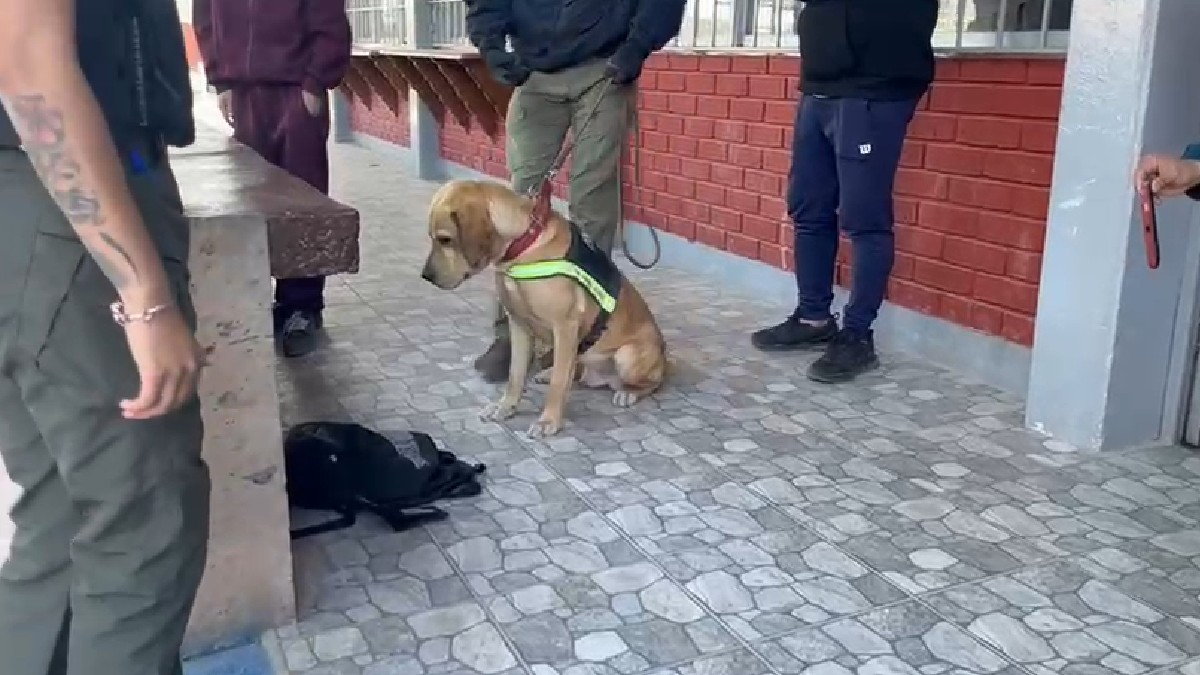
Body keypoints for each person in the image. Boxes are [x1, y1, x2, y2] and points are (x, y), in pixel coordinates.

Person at [0, 0, 210, 673]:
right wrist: (144, 295)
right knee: (141, 531)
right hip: (64, 211)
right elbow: (27, 59)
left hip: (32, 211)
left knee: (61, 516)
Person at [464, 0, 687, 383]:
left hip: (605, 68)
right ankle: (511, 333)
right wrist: (493, 49)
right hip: (534, 72)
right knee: (518, 209)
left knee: (591, 207)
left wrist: (636, 47)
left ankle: (583, 336)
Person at [751, 0, 938, 384]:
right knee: (809, 209)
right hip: (819, 84)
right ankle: (813, 317)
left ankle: (858, 335)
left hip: (875, 85)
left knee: (864, 220)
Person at [193, 0, 352, 358]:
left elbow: (329, 18)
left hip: (295, 90)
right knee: (254, 199)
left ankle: (302, 307)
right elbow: (205, 17)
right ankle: (261, 301)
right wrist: (220, 80)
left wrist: (315, 82)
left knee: (303, 200)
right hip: (243, 92)